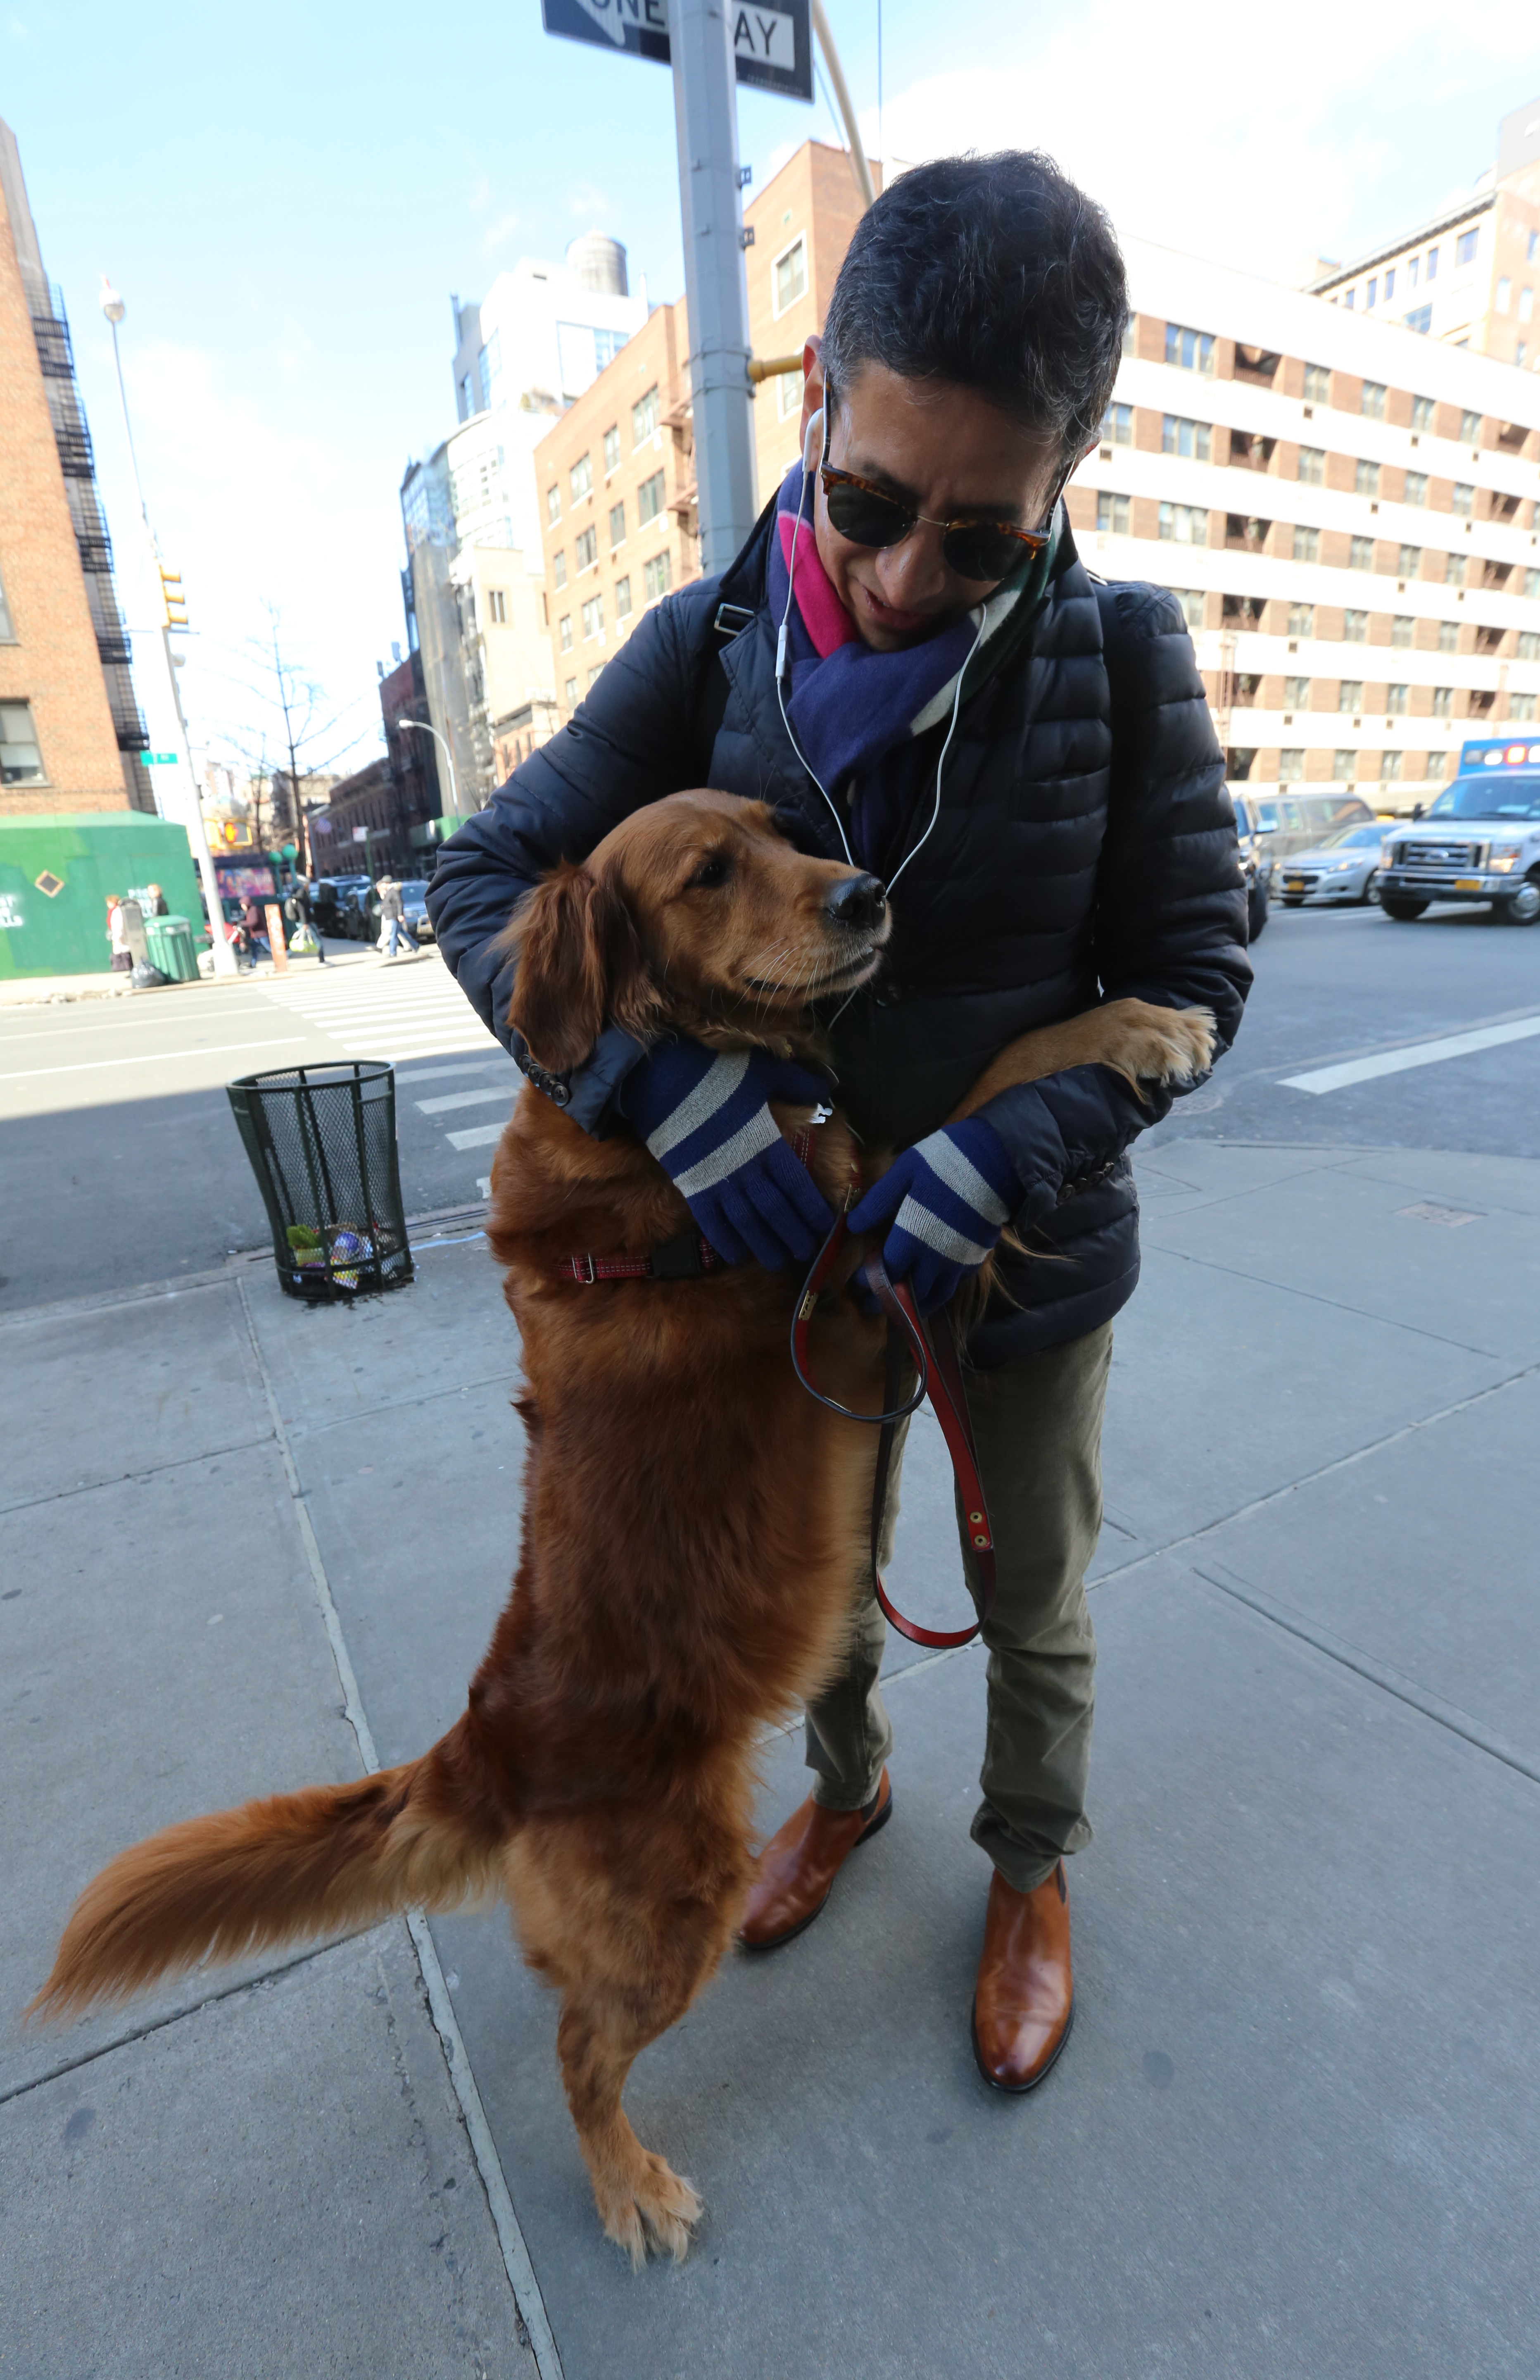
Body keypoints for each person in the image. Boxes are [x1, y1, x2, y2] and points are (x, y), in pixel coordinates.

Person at [428, 151, 1251, 2096]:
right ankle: (851, 1789)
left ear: (1069, 477)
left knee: (1032, 1590)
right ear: (817, 391)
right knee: (819, 1573)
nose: (897, 574)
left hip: (1023, 1258)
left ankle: (1030, 1873)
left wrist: (995, 1159)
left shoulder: (1127, 663)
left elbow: (1195, 982)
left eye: (976, 540)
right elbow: (488, 889)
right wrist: (663, 1100)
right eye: (872, 502)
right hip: (788, 1261)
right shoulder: (714, 636)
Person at [378, 877, 418, 958]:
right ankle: (416, 945)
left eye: (383, 884)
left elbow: (399, 903)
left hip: (394, 916)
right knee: (402, 933)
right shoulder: (389, 891)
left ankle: (393, 952)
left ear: (387, 883)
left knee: (393, 935)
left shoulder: (393, 891)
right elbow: (389, 902)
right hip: (391, 915)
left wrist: (400, 914)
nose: (382, 885)